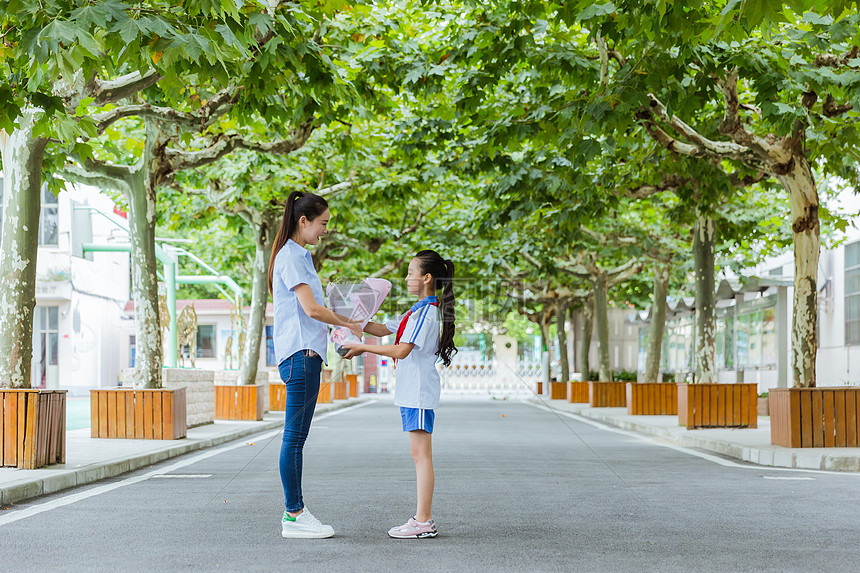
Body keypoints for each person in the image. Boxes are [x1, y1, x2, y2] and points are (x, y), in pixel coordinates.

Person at [342, 250, 457, 539]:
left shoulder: (426, 313)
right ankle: (422, 519)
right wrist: (346, 317)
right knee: (419, 454)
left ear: (426, 278)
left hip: (418, 392)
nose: (406, 278)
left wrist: (363, 347)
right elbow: (379, 329)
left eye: (410, 272)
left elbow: (401, 350)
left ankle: (423, 521)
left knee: (422, 456)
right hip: (411, 393)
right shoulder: (415, 311)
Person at [269, 190, 363, 539]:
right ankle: (293, 514)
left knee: (296, 438)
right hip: (300, 356)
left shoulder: (301, 256)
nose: (325, 230)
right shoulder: (291, 257)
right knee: (294, 439)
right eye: (322, 223)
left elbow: (315, 310)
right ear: (303, 221)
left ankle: (294, 512)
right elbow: (312, 310)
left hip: (305, 356)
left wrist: (354, 326)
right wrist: (348, 323)